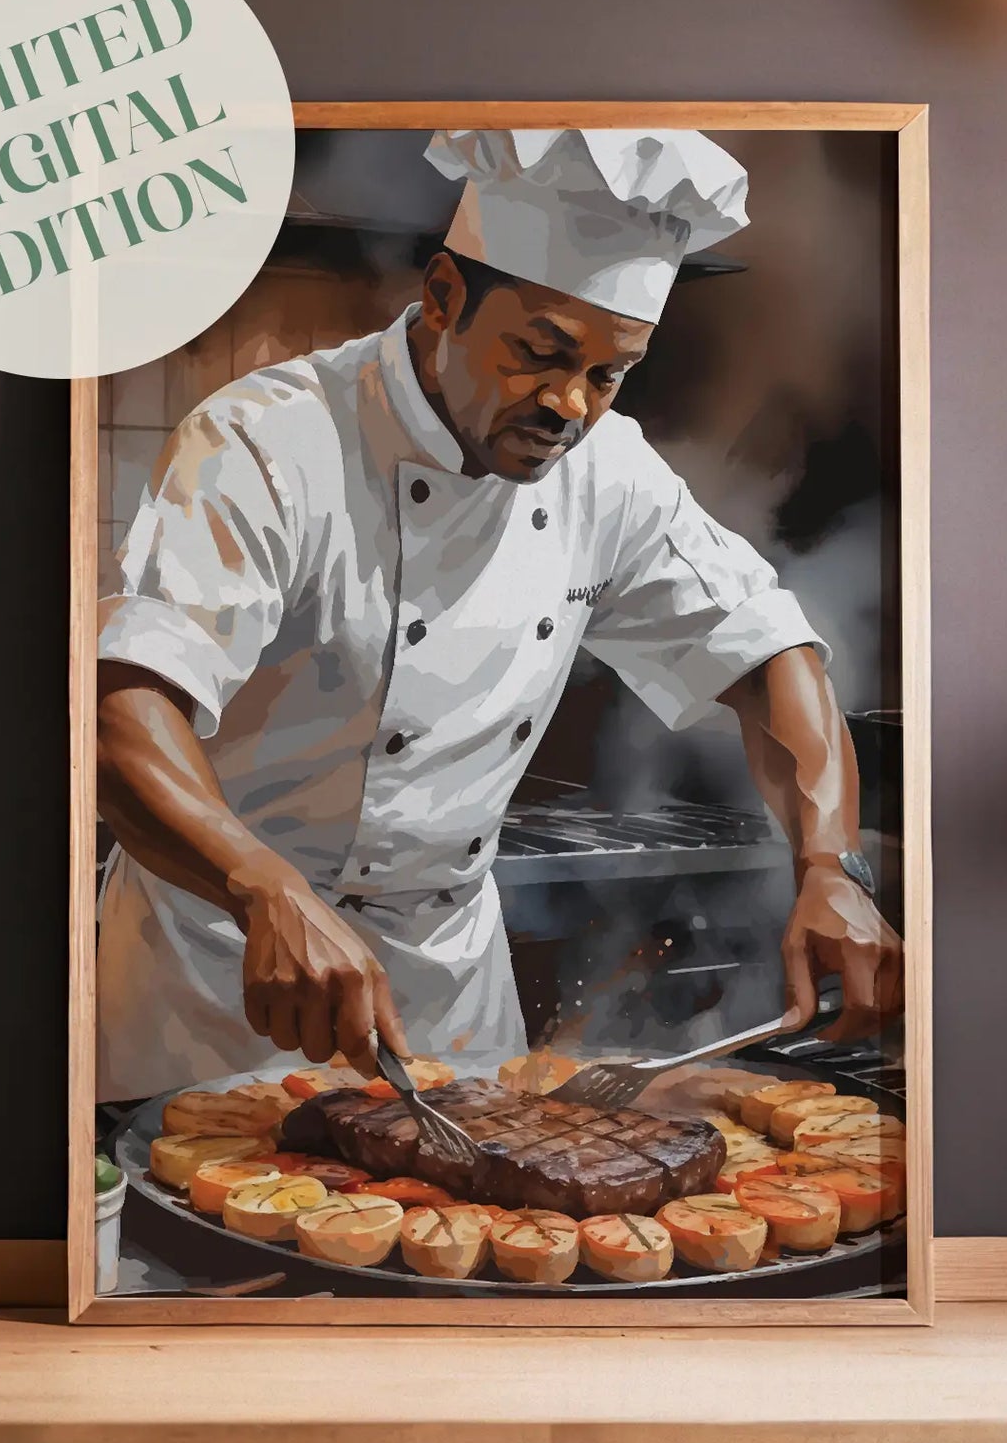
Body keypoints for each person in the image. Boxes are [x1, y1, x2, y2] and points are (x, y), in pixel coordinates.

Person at [95, 127, 903, 1100]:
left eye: (608, 374)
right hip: (221, 977)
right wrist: (263, 886)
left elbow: (770, 655)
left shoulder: (607, 474)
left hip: (446, 994)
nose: (568, 401)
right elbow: (120, 712)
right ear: (441, 296)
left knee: (482, 1238)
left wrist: (829, 865)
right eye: (540, 351)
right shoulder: (265, 445)